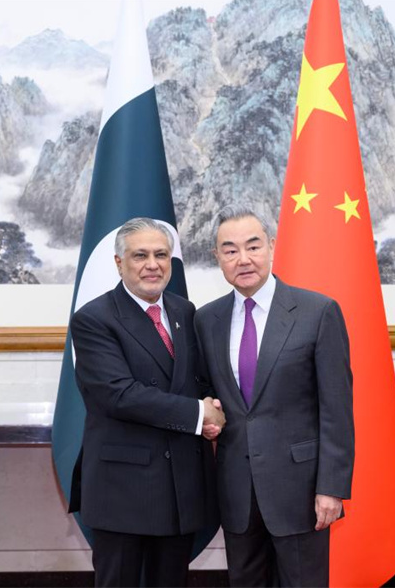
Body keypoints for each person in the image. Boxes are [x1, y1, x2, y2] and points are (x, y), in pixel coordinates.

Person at [194, 205, 354, 587]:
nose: (243, 259)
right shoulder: (206, 320)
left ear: (271, 246)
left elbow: (336, 408)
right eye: (230, 250)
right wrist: (206, 412)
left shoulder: (318, 312)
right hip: (236, 490)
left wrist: (331, 488)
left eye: (253, 246)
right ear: (217, 257)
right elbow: (206, 391)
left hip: (300, 490)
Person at [69, 217, 224, 588]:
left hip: (180, 487)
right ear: (119, 263)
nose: (152, 265)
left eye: (161, 255)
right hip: (124, 490)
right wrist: (199, 414)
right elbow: (119, 395)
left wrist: (213, 408)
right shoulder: (94, 319)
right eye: (140, 255)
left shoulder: (185, 312)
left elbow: (196, 380)